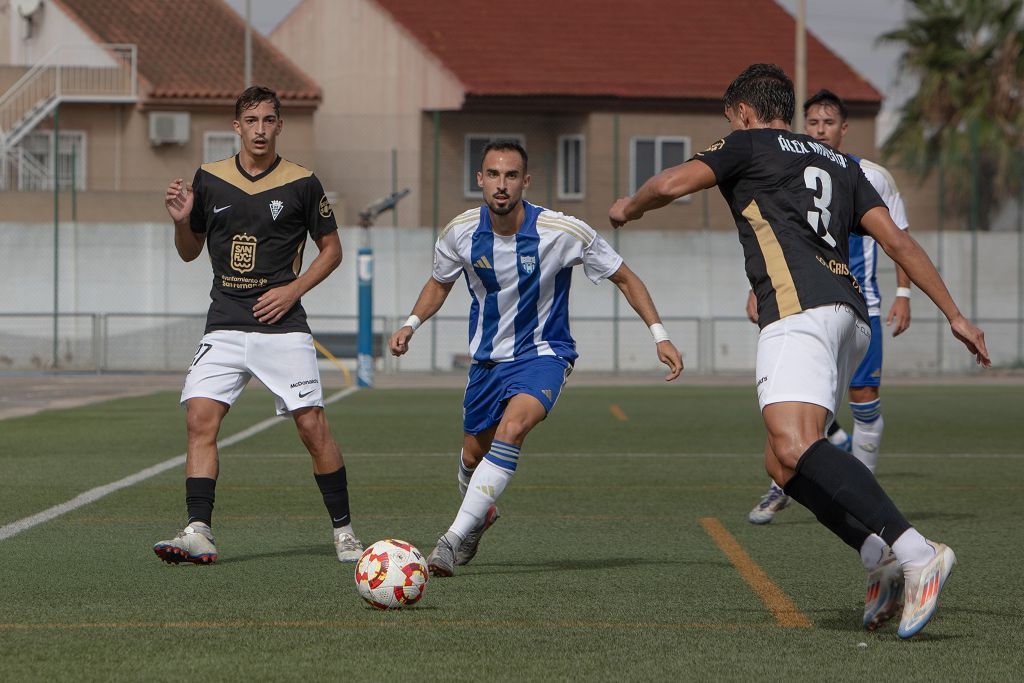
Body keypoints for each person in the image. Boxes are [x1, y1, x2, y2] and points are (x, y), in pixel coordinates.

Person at [609, 64, 989, 638]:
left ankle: (916, 553)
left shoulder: (748, 141)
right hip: (849, 315)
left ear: (742, 111)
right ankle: (877, 557)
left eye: (731, 116)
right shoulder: (840, 162)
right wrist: (955, 314)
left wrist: (627, 208)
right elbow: (897, 241)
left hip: (798, 312)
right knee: (782, 461)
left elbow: (668, 185)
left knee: (795, 442)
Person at [389, 140, 683, 577]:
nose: (501, 185)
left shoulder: (564, 232)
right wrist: (411, 322)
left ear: (525, 182)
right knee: (472, 455)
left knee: (514, 427)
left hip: (545, 354)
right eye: (493, 174)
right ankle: (481, 514)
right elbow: (439, 283)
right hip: (488, 360)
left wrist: (660, 335)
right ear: (480, 180)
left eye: (511, 176)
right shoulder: (460, 232)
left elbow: (625, 277)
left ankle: (448, 541)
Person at [155, 85, 363, 565]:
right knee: (199, 420)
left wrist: (293, 289)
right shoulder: (208, 178)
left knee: (312, 428)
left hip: (282, 326)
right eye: (251, 121)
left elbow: (332, 250)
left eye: (269, 120)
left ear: (280, 125)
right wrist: (182, 221)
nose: (261, 130)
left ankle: (345, 532)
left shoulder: (302, 182)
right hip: (224, 321)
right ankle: (199, 531)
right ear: (237, 126)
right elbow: (189, 252)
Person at [747, 89, 913, 525]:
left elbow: (900, 241)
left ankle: (863, 496)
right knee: (801, 407)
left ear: (844, 128)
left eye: (828, 123)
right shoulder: (792, 166)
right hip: (806, 299)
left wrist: (904, 293)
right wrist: (756, 288)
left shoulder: (872, 176)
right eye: (813, 123)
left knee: (862, 398)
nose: (820, 129)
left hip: (861, 305)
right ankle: (784, 483)